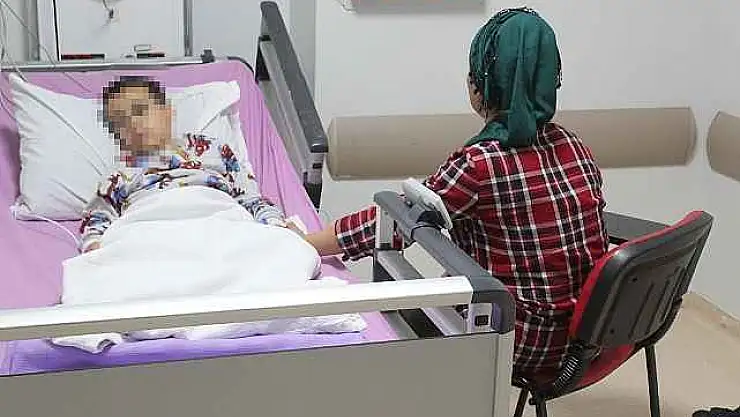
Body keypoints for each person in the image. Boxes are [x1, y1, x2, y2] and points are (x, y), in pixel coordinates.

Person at [306, 8, 609, 379]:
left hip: (519, 342)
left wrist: (305, 242)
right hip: (587, 340)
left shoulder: (480, 164)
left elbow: (393, 221)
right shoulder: (574, 146)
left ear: (480, 87)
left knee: (391, 320)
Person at [80, 76, 298, 253]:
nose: (133, 124)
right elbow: (99, 217)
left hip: (218, 222)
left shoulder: (215, 150)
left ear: (167, 111)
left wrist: (275, 225)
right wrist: (94, 247)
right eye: (121, 122)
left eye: (140, 111)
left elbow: (249, 197)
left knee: (281, 248)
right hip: (151, 231)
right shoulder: (119, 174)